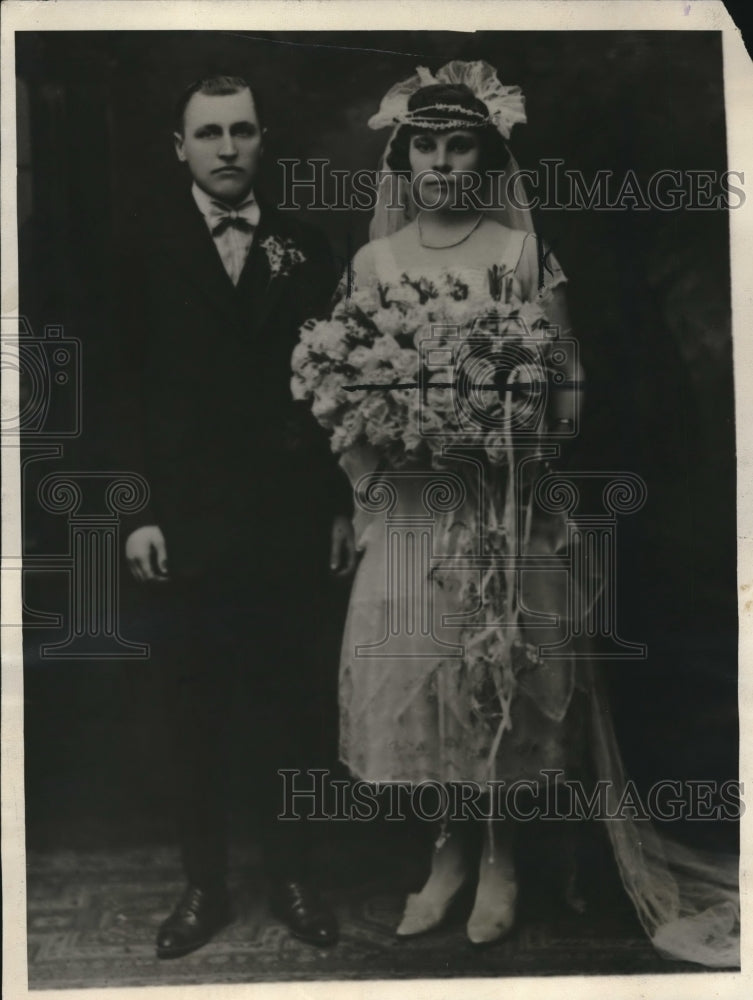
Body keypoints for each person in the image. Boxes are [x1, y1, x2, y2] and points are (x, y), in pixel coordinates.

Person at [297, 60, 740, 965]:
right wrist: (377, 468)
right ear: (403, 156)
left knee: (496, 667)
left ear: (485, 156)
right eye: (425, 146)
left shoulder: (517, 254)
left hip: (502, 500)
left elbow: (566, 376)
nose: (441, 163)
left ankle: (501, 852)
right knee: (427, 676)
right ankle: (448, 848)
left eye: (459, 145)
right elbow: (340, 384)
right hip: (421, 504)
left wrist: (522, 444)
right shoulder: (375, 263)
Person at [112, 75, 356, 959]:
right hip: (183, 526)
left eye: (241, 131)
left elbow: (339, 396)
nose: (225, 147)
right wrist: (136, 510)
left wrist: (336, 508)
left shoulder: (306, 245)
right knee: (192, 710)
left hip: (287, 519)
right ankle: (204, 885)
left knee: (290, 705)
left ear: (263, 142)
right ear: (180, 148)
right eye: (207, 133)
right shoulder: (139, 247)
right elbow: (119, 389)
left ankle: (291, 874)